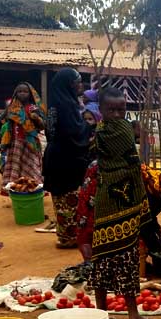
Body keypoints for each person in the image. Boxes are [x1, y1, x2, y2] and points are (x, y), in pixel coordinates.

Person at [82, 88, 157, 319]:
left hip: (105, 200)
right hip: (122, 201)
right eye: (111, 110)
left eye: (121, 110)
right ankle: (134, 318)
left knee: (102, 256)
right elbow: (132, 156)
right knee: (125, 258)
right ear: (101, 110)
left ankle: (101, 313)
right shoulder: (122, 130)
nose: (116, 114)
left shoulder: (100, 131)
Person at [43, 68, 93, 248]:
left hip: (56, 157)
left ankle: (65, 235)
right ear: (68, 85)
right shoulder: (67, 106)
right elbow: (73, 133)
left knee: (61, 198)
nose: (80, 85)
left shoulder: (55, 104)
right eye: (77, 81)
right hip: (67, 159)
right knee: (71, 198)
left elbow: (51, 132)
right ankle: (71, 237)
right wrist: (89, 128)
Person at [0, 82, 46, 188]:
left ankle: (34, 186)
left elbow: (42, 125)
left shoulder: (33, 108)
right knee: (15, 165)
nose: (22, 94)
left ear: (30, 94)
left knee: (32, 164)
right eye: (20, 91)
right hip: (15, 142)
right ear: (16, 93)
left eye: (25, 91)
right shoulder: (11, 108)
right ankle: (13, 187)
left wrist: (36, 118)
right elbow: (3, 120)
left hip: (30, 142)